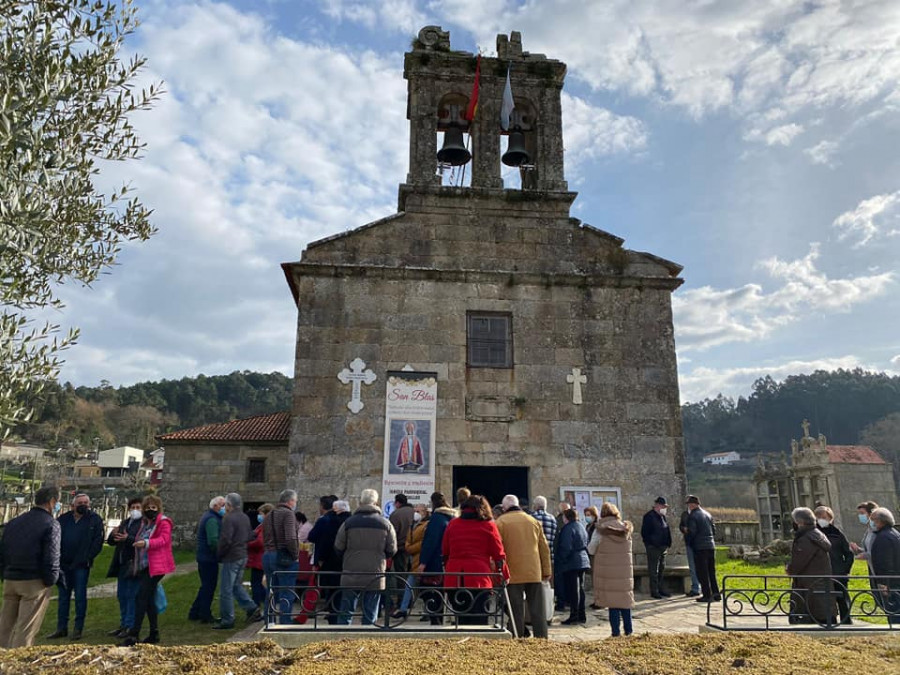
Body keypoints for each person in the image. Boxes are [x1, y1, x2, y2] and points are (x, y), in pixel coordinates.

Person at [0, 485, 61, 648]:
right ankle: (17, 667)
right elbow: (52, 556)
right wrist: (51, 579)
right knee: (25, 630)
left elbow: (3, 549)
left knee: (4, 627)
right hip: (34, 581)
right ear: (52, 502)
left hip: (10, 579)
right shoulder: (51, 524)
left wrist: (4, 572)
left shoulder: (13, 522)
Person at [335, 489, 397, 625]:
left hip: (351, 572)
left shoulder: (348, 523)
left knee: (346, 612)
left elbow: (338, 547)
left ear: (361, 502)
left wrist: (348, 558)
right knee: (370, 613)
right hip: (375, 573)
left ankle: (340, 641)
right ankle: (368, 641)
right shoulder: (386, 524)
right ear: (376, 502)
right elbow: (392, 550)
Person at [443, 495, 506, 626]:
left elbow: (445, 550)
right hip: (479, 577)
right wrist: (504, 575)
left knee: (460, 618)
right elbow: (498, 554)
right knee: (480, 619)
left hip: (454, 577)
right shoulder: (488, 525)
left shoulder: (453, 524)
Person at [121, 495, 176, 645]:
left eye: (153, 508)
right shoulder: (146, 523)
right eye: (148, 508)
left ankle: (134, 634)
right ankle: (154, 633)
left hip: (156, 566)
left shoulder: (163, 522)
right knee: (149, 600)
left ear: (158, 508)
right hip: (145, 565)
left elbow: (163, 540)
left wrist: (145, 543)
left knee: (141, 597)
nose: (150, 510)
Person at [49, 493, 104, 640]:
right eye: (80, 502)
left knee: (80, 596)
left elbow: (98, 542)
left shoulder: (95, 520)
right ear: (73, 505)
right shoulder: (63, 519)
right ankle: (61, 628)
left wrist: (87, 558)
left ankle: (78, 628)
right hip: (64, 564)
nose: (83, 505)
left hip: (82, 565)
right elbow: (54, 538)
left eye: (86, 502)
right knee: (63, 597)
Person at [496, 494, 551, 639]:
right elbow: (544, 548)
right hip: (534, 571)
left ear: (504, 507)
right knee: (537, 609)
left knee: (516, 609)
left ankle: (517, 636)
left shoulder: (500, 522)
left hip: (512, 573)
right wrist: (547, 570)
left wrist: (496, 572)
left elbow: (497, 549)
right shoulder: (533, 521)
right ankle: (541, 637)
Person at [587, 502, 634, 637]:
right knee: (625, 600)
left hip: (608, 571)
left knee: (613, 602)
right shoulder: (626, 528)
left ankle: (615, 632)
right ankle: (629, 630)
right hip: (624, 572)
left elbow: (591, 548)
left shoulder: (600, 530)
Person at [214, 493, 260, 629]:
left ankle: (227, 619)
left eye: (225, 505)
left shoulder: (229, 518)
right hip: (242, 554)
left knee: (226, 589)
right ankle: (251, 608)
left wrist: (220, 554)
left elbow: (226, 540)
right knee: (236, 586)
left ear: (229, 505)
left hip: (231, 556)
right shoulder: (244, 517)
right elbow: (250, 535)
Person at [786, 506, 835, 625]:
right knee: (821, 613)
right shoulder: (817, 534)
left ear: (800, 522)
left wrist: (790, 569)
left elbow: (800, 560)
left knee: (809, 617)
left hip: (808, 583)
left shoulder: (806, 538)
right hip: (818, 583)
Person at [105, 496, 145, 637]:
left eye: (138, 507)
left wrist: (127, 538)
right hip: (122, 564)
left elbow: (142, 541)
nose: (135, 510)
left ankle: (130, 625)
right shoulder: (125, 522)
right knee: (122, 595)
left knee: (132, 596)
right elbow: (112, 541)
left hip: (135, 564)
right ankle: (123, 624)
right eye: (133, 508)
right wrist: (113, 534)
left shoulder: (144, 524)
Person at [263, 489, 300, 624]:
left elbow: (264, 536)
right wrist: (295, 554)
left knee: (271, 591)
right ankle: (285, 623)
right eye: (295, 501)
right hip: (283, 556)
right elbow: (290, 538)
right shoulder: (288, 514)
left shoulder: (269, 515)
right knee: (286, 591)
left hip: (268, 554)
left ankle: (269, 621)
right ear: (290, 501)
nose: (295, 503)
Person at [418, 492, 455, 624]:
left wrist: (423, 562)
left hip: (435, 561)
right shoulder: (453, 518)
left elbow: (430, 541)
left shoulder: (437, 518)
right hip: (449, 561)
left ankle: (436, 622)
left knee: (431, 592)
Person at [308, 495, 345, 623]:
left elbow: (312, 536)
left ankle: (330, 611)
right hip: (339, 558)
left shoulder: (324, 520)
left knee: (326, 585)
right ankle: (334, 611)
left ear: (322, 506)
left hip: (325, 558)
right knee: (336, 587)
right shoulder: (341, 520)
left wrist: (320, 558)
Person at [188, 496, 225, 623]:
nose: (224, 508)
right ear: (215, 506)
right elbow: (213, 541)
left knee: (205, 586)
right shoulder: (212, 520)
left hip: (204, 557)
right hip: (209, 558)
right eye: (222, 505)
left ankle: (195, 611)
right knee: (209, 587)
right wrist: (221, 554)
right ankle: (205, 614)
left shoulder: (209, 516)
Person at [814, 505, 854, 624]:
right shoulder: (814, 533)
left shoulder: (837, 534)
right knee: (824, 600)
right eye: (818, 517)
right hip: (821, 573)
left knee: (842, 599)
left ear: (830, 518)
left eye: (824, 517)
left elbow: (848, 554)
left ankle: (846, 622)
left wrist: (845, 569)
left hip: (838, 573)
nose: (821, 519)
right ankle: (828, 622)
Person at [394, 503, 430, 618]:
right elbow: (408, 540)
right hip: (413, 559)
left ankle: (426, 610)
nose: (415, 513)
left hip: (421, 559)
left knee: (423, 586)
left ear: (424, 512)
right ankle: (404, 609)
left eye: (418, 511)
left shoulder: (426, 525)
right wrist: (408, 547)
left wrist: (410, 548)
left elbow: (424, 542)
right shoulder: (413, 525)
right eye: (415, 510)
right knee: (409, 585)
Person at [555, 508, 590, 625]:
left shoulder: (567, 528)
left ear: (567, 517)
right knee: (580, 589)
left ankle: (574, 615)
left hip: (572, 562)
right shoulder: (580, 526)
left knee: (574, 590)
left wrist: (561, 559)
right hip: (583, 560)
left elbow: (566, 546)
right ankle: (582, 615)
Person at [685, 495, 719, 603]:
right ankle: (716, 593)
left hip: (700, 547)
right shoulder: (707, 514)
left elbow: (692, 532)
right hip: (710, 545)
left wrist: (689, 542)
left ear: (693, 504)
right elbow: (713, 530)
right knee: (711, 571)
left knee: (702, 572)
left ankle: (707, 595)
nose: (689, 507)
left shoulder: (693, 516)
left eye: (689, 504)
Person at [869, 507, 900, 617]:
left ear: (879, 521)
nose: (871, 523)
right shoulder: (895, 534)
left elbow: (884, 563)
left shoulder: (883, 538)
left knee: (894, 615)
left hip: (891, 583)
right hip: (896, 579)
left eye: (872, 520)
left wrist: (884, 583)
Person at [640, 496, 672, 599]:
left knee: (662, 569)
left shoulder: (662, 517)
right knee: (654, 570)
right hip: (653, 547)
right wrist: (650, 544)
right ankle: (654, 590)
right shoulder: (649, 516)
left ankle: (660, 588)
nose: (664, 508)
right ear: (657, 506)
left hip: (663, 547)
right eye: (663, 506)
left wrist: (667, 542)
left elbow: (666, 529)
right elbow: (645, 533)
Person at [388, 493, 415, 605]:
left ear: (398, 503)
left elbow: (392, 534)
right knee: (412, 576)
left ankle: (402, 601)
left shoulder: (396, 514)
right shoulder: (415, 513)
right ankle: (411, 600)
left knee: (401, 576)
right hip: (414, 549)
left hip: (401, 549)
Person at [247, 503, 274, 611]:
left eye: (261, 513)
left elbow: (260, 542)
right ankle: (265, 601)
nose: (259, 516)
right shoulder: (265, 525)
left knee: (256, 584)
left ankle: (257, 605)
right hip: (260, 557)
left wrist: (248, 544)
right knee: (259, 583)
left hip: (259, 558)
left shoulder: (265, 526)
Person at [850, 501, 879, 575]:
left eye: (862, 513)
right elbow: (868, 549)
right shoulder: (869, 530)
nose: (860, 516)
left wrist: (864, 555)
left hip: (880, 567)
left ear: (871, 514)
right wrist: (858, 550)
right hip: (871, 566)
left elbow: (878, 550)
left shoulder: (878, 531)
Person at [679, 505, 702, 597]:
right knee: (692, 567)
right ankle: (695, 587)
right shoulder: (684, 514)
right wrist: (683, 529)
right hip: (689, 543)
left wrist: (691, 530)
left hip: (699, 544)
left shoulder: (700, 514)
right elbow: (681, 525)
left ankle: (702, 587)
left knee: (700, 567)